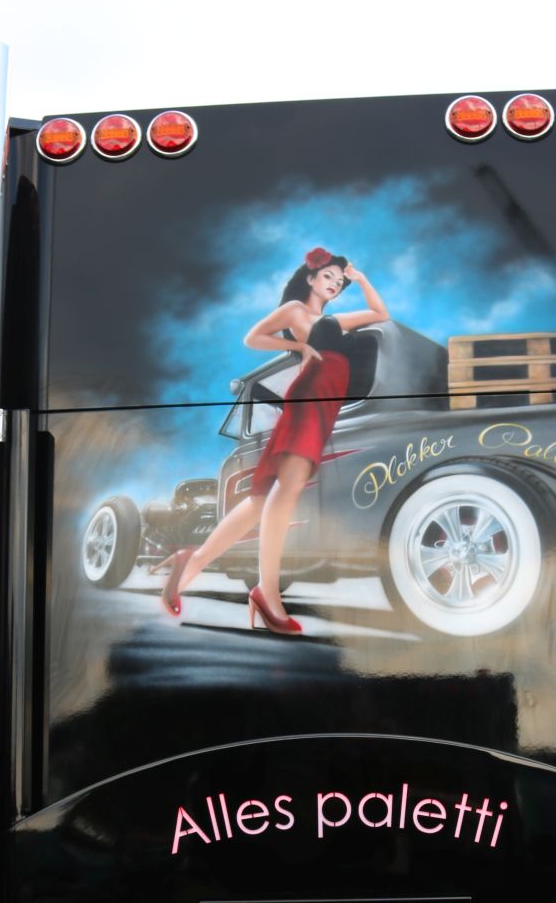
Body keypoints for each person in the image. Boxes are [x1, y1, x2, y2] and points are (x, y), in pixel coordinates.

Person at [161, 246, 390, 634]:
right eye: (328, 277)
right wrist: (298, 346)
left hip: (323, 402)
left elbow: (380, 314)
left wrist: (362, 279)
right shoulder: (297, 312)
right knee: (285, 491)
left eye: (339, 282)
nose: (335, 285)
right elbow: (253, 337)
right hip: (310, 397)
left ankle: (192, 561)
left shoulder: (333, 321)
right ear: (310, 278)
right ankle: (267, 591)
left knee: (260, 499)